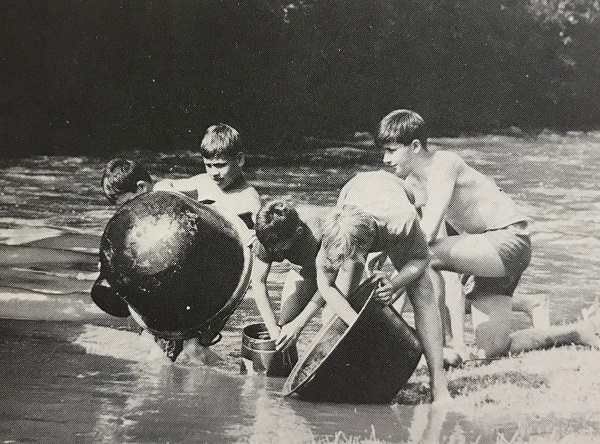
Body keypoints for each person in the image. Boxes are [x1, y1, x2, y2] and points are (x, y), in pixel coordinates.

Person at [376, 108, 600, 360]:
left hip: (509, 240)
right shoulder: (418, 184)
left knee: (417, 258)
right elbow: (435, 247)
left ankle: (404, 344)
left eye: (391, 150)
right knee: (492, 350)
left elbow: (424, 240)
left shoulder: (443, 164)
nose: (385, 159)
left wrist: (393, 281)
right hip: (486, 254)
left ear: (415, 146)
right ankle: (577, 332)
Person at [315, 170, 452, 403]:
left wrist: (395, 282)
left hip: (397, 198)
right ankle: (336, 365)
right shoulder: (333, 235)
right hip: (354, 189)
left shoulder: (402, 221)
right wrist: (354, 324)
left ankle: (438, 384)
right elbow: (327, 287)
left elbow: (423, 258)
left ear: (368, 244)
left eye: (357, 254)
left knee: (422, 291)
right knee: (342, 294)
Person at [153, 124, 261, 228]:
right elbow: (160, 186)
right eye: (208, 165)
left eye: (220, 165)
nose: (213, 173)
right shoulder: (204, 182)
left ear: (239, 159)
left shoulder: (249, 201)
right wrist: (188, 203)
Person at [251, 200, 326, 350]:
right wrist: (272, 327)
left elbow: (329, 284)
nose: (271, 251)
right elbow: (258, 281)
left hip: (337, 275)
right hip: (305, 272)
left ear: (298, 232)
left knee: (330, 328)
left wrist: (298, 325)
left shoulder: (321, 231)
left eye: (278, 247)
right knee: (284, 331)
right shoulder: (268, 236)